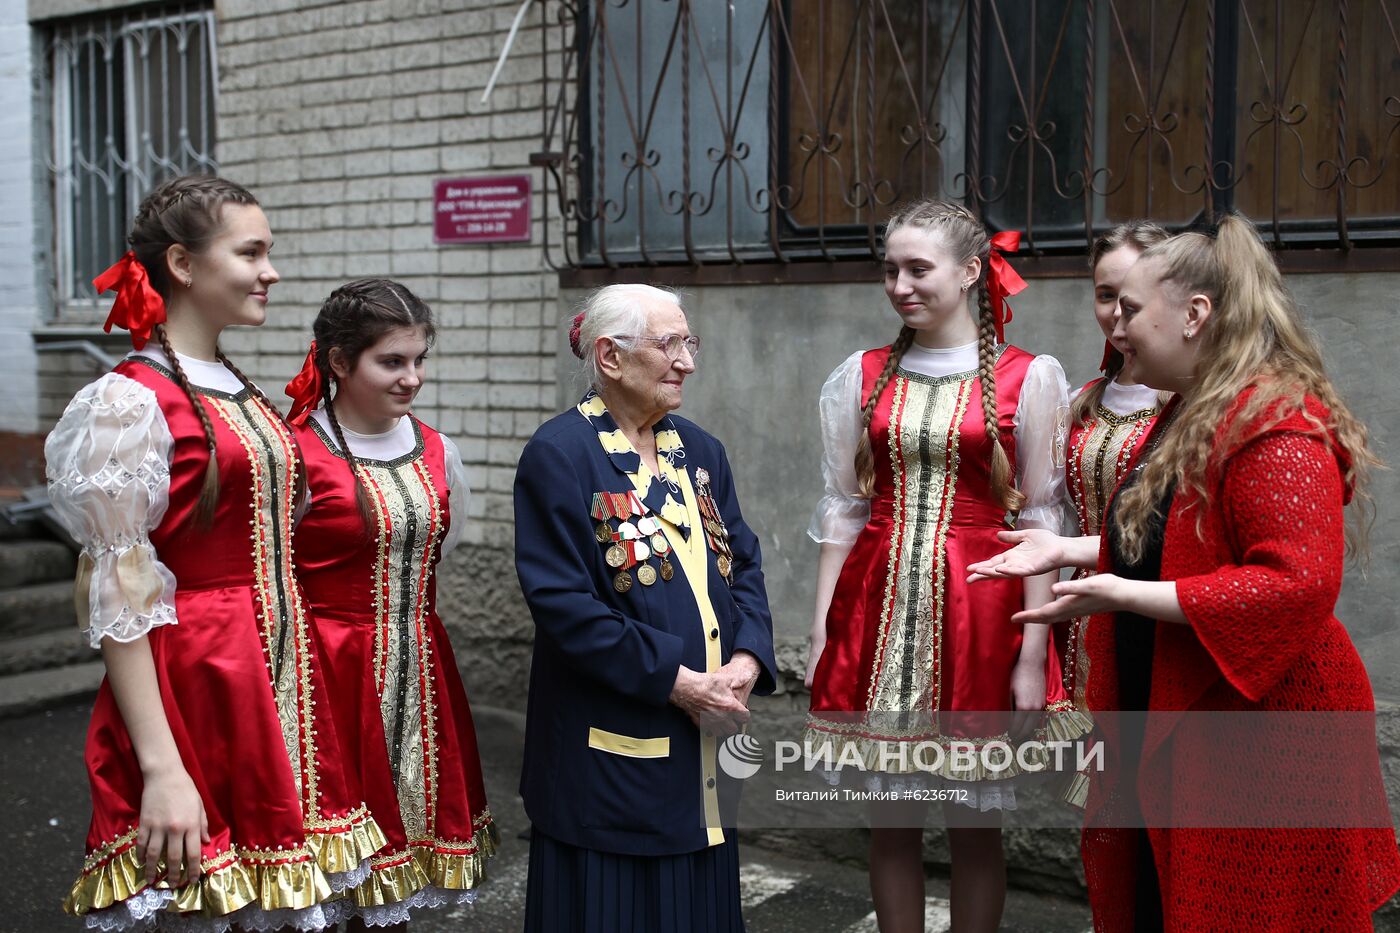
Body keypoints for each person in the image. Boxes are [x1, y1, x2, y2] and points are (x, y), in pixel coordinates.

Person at [968, 215, 1400, 930]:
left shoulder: (1274, 418)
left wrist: (1121, 592)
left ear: (1195, 314)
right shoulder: (1194, 409)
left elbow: (1296, 581)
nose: (1116, 326)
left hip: (1265, 733)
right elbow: (1183, 542)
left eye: (1131, 308)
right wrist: (1075, 553)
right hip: (1187, 710)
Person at [47, 175, 384, 931]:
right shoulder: (130, 400)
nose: (271, 271)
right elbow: (118, 591)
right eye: (252, 252)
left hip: (282, 683)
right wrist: (163, 767)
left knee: (287, 903)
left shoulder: (242, 390)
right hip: (199, 682)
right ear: (184, 264)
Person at [804, 199, 1090, 933]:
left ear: (970, 272)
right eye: (891, 268)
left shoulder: (1030, 378)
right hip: (878, 612)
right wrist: (819, 634)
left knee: (972, 821)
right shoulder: (861, 372)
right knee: (890, 819)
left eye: (918, 268)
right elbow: (844, 511)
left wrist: (1034, 649)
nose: (900, 283)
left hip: (980, 615)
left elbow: (1040, 519)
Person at [512, 284, 777, 933]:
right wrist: (680, 681)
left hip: (702, 754)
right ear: (610, 356)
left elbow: (741, 559)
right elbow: (565, 606)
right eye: (670, 344)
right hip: (607, 766)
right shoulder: (561, 454)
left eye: (690, 343)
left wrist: (746, 656)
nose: (687, 360)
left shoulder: (701, 451)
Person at [284, 278, 497, 929]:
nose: (412, 377)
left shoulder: (438, 449)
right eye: (392, 361)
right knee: (321, 872)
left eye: (419, 359)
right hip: (323, 672)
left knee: (394, 878)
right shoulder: (295, 453)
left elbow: (444, 546)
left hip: (417, 665)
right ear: (340, 362)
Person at [1057, 221, 1169, 804]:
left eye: (1131, 297)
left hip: (1156, 610)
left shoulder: (1187, 398)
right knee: (1102, 811)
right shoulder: (1083, 400)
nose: (1117, 313)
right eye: (1105, 295)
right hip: (1084, 620)